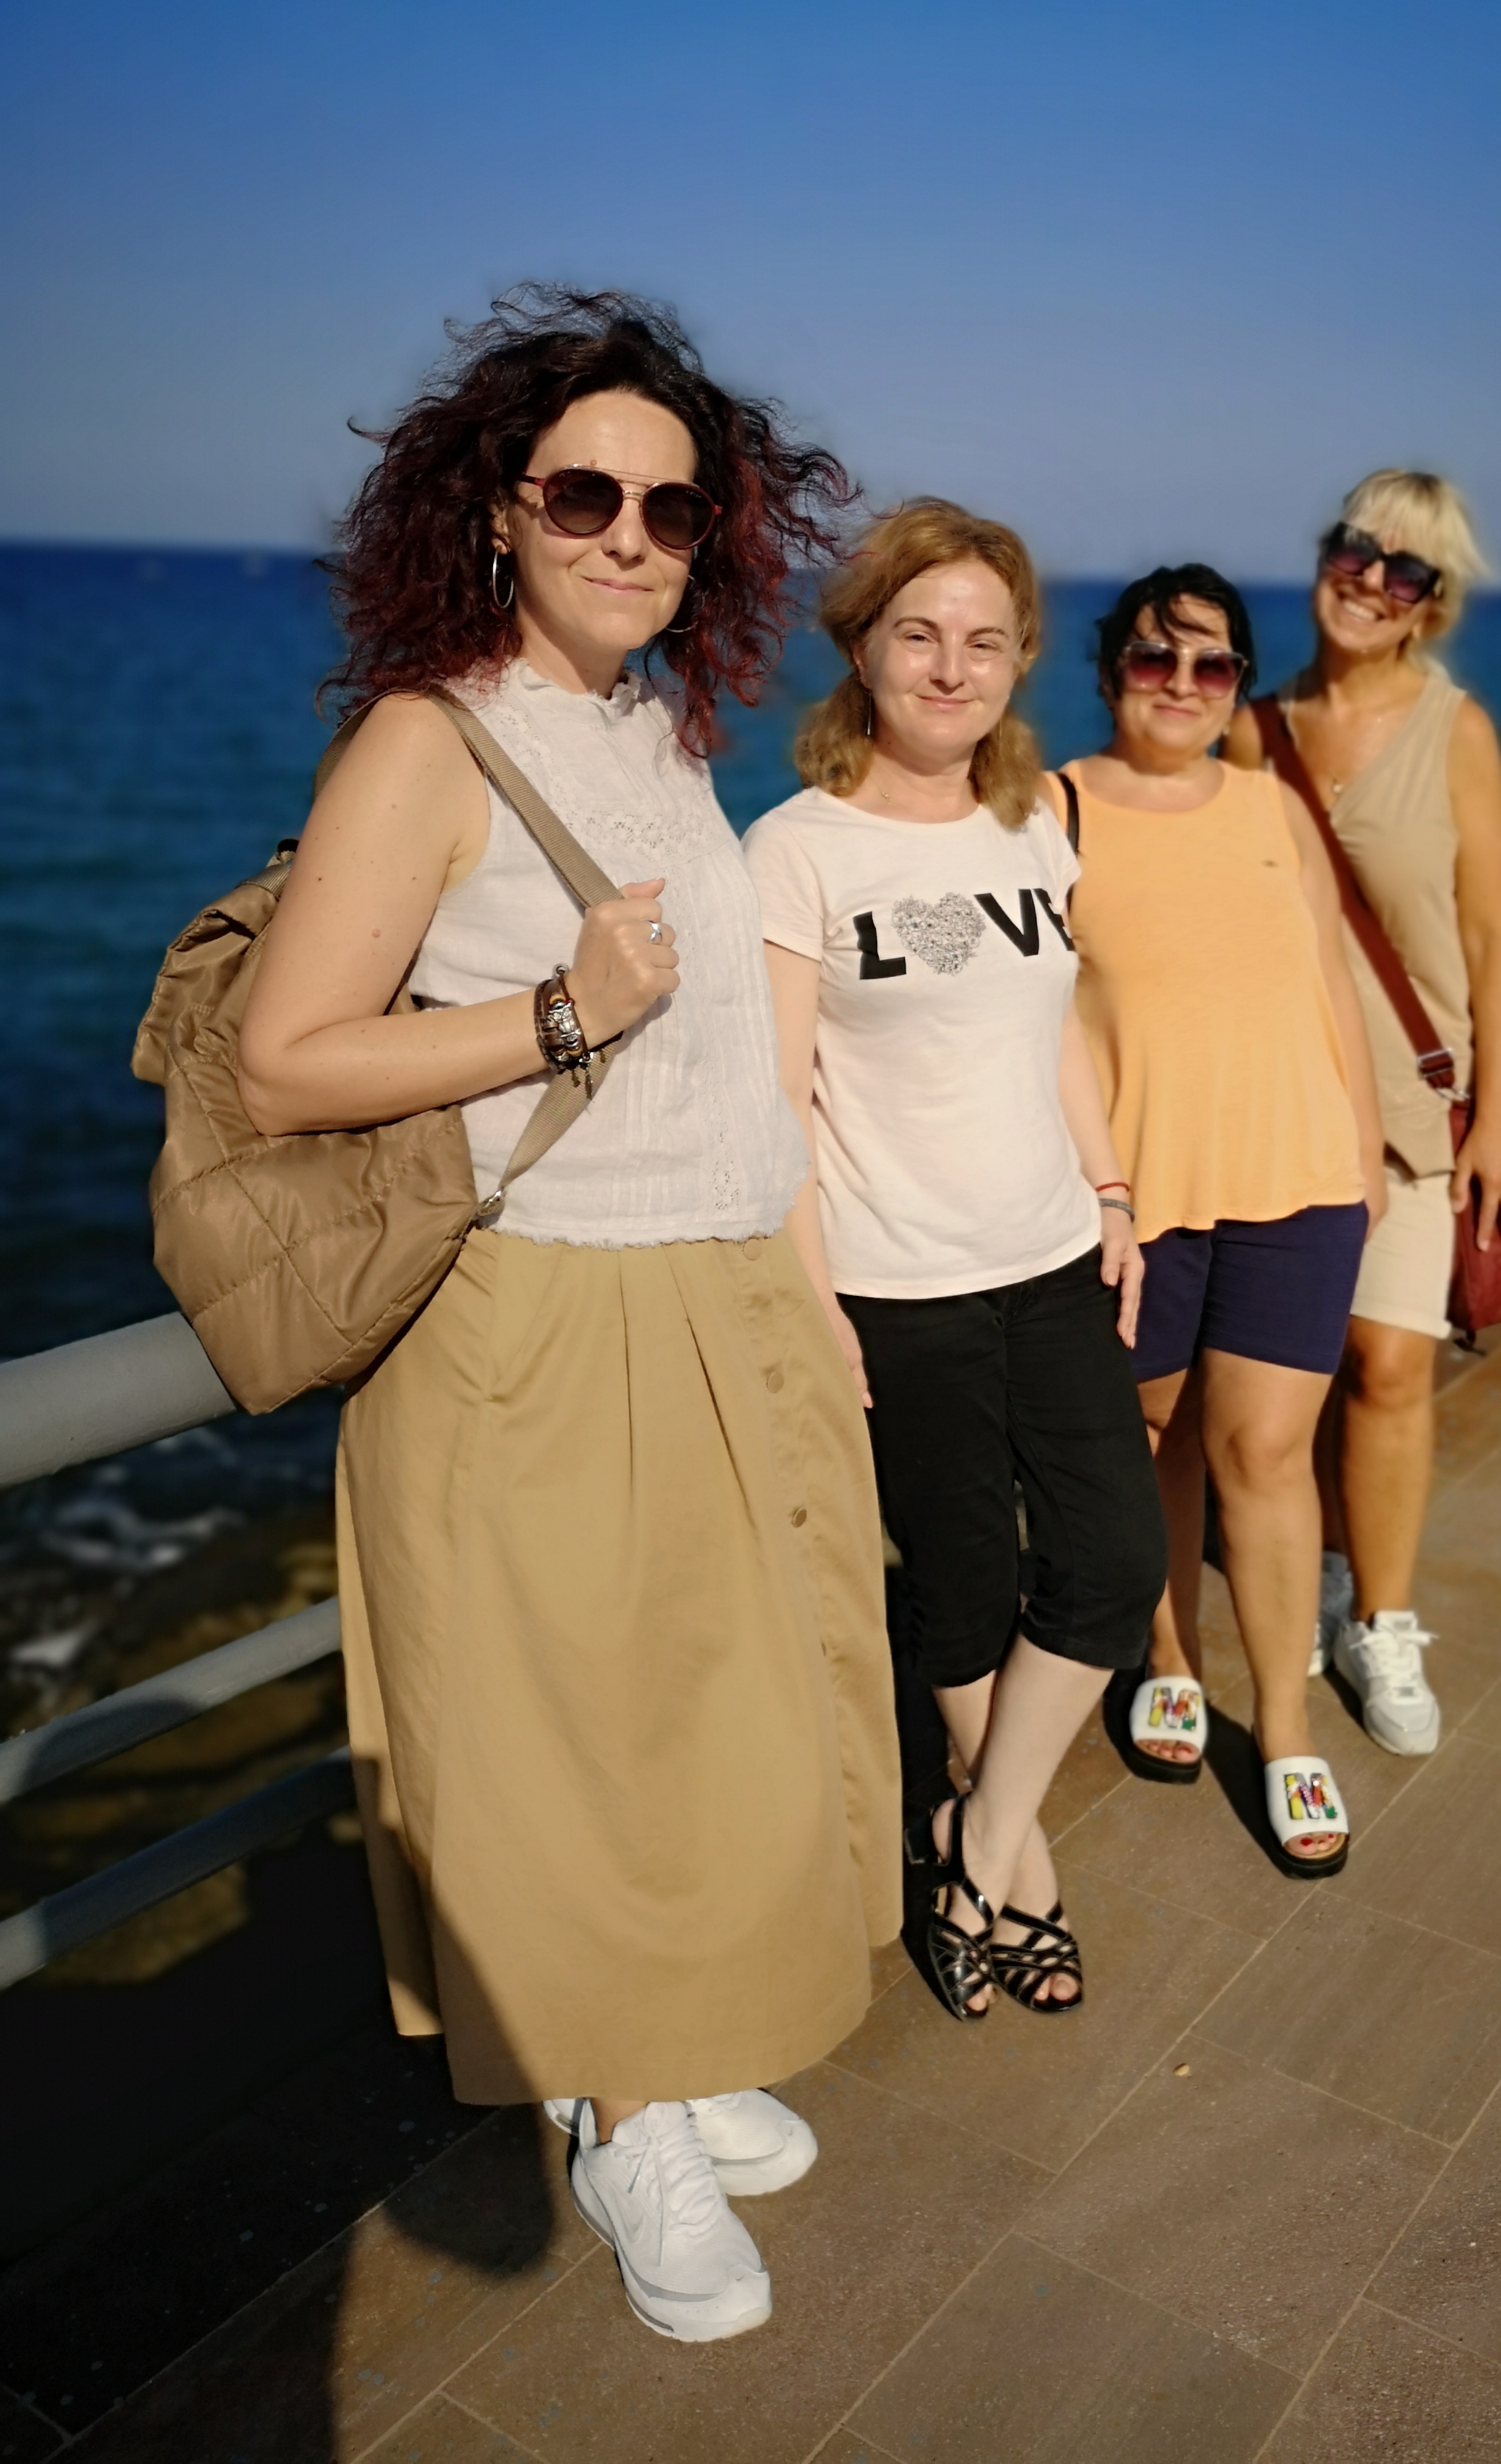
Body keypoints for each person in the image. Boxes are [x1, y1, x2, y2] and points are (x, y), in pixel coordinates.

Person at [237, 289, 899, 2345]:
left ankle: (669, 2046)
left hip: (710, 1285)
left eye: (673, 508)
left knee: (709, 1713)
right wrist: (551, 1013)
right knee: (577, 1742)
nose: (630, 534)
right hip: (540, 1317)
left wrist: (792, 1270)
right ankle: (620, 2113)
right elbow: (287, 1062)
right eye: (585, 494)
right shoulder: (428, 737)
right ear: (497, 508)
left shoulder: (655, 727)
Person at [746, 499, 1166, 2019]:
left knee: (1114, 1562)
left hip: (1051, 1256)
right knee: (963, 1590)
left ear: (1020, 659)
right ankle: (1018, 1873)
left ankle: (975, 1839)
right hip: (892, 1283)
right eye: (918, 633)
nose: (950, 667)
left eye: (984, 641)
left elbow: (1052, 1031)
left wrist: (1112, 1192)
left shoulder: (1034, 820)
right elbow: (779, 1105)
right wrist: (813, 1299)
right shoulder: (793, 850)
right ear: (860, 646)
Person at [1052, 567, 1386, 1877]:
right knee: (1157, 1436)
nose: (1182, 686)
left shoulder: (1270, 807)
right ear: (1109, 672)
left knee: (1266, 1450)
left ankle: (1287, 1732)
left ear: (1239, 684)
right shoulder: (1052, 810)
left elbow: (1335, 986)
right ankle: (1172, 1659)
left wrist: (1362, 1157)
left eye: (1212, 665)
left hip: (1298, 1180)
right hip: (1138, 1194)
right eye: (1155, 658)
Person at [1227, 471, 1501, 1757]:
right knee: (1295, 1364)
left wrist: (1499, 1121)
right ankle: (1310, 1570)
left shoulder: (1457, 733)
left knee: (1392, 1364)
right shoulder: (1252, 730)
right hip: (1283, 1097)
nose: (1370, 581)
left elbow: (1496, 944)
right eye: (1357, 549)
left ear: (1432, 605)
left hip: (1416, 1106)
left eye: (1406, 571)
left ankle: (1381, 1616)